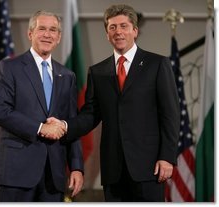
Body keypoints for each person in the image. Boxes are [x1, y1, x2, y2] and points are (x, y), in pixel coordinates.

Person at [47, 4, 180, 202]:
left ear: (135, 30)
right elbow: (90, 114)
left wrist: (167, 157)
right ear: (107, 34)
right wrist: (65, 125)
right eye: (112, 27)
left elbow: (170, 114)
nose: (118, 32)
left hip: (148, 168)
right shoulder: (98, 71)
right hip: (113, 170)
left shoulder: (157, 64)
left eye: (124, 26)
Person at [0, 10, 84, 202]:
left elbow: (71, 123)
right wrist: (41, 128)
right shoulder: (9, 68)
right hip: (17, 172)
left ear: (59, 37)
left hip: (54, 174)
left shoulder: (67, 75)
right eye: (42, 29)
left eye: (53, 30)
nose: (47, 34)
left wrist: (76, 166)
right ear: (30, 33)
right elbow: (0, 112)